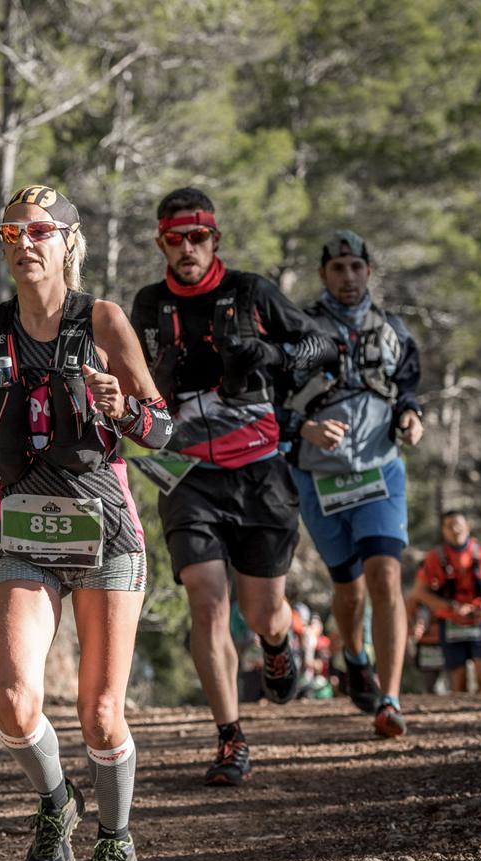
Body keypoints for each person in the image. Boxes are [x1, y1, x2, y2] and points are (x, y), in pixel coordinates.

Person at [0, 184, 173, 861]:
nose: (25, 243)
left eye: (40, 231)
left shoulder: (105, 321)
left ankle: (117, 841)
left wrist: (125, 407)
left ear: (68, 242)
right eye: (11, 233)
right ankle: (57, 802)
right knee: (16, 701)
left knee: (100, 712)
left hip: (106, 529)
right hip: (25, 524)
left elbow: (163, 431)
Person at [129, 188, 337, 785]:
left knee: (263, 609)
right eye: (176, 237)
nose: (187, 248)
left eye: (198, 237)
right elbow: (125, 374)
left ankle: (276, 645)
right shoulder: (148, 305)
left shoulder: (251, 292)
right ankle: (230, 737)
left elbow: (323, 344)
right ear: (161, 242)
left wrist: (267, 355)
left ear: (214, 239)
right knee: (206, 596)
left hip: (261, 473)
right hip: (187, 474)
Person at [279, 229, 424, 738]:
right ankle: (354, 654)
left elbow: (408, 387)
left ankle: (390, 699)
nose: (348, 276)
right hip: (318, 476)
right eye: (337, 268)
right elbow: (271, 402)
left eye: (356, 267)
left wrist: (410, 416)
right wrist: (306, 428)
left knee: (386, 574)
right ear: (323, 274)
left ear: (369, 271)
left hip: (380, 468)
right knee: (349, 586)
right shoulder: (299, 329)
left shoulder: (394, 330)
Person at [407, 510, 481, 693]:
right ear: (443, 530)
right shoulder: (434, 557)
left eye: (458, 525)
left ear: (467, 526)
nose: (455, 529)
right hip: (450, 621)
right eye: (449, 526)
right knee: (458, 681)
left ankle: (479, 705)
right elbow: (419, 592)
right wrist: (450, 607)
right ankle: (464, 715)